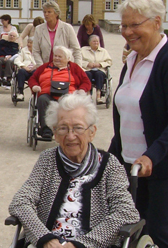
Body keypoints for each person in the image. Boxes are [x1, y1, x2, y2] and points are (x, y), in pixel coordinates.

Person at [9, 92, 140, 248]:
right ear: (55, 134)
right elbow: (20, 202)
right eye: (63, 128)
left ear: (92, 132)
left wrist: (80, 244)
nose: (71, 136)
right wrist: (45, 238)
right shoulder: (47, 160)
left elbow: (126, 212)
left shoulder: (109, 165)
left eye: (78, 128)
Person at [108, 0, 168, 248]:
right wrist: (107, 159)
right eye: (124, 25)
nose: (127, 32)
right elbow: (124, 120)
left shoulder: (164, 60)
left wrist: (152, 156)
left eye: (135, 24)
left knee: (157, 237)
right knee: (129, 236)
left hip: (161, 172)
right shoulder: (131, 59)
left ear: (157, 22)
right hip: (130, 170)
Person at [28, 46, 91, 139]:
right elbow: (32, 78)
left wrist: (81, 89)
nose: (56, 58)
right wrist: (34, 86)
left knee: (72, 103)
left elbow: (86, 82)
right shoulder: (45, 67)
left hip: (68, 96)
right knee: (42, 99)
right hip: (48, 94)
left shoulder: (74, 68)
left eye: (60, 56)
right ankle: (47, 130)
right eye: (55, 56)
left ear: (68, 59)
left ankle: (69, 129)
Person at [33, 1, 82, 67]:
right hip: (45, 67)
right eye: (44, 12)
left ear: (56, 14)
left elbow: (76, 50)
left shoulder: (67, 28)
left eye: (49, 12)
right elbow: (36, 51)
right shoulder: (39, 29)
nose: (46, 14)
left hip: (64, 68)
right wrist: (42, 67)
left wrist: (77, 68)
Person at [80, 35, 112, 104]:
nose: (96, 43)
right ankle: (88, 95)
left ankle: (98, 95)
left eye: (97, 41)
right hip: (87, 69)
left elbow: (109, 62)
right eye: (94, 41)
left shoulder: (103, 51)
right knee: (87, 74)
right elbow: (78, 60)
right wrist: (87, 64)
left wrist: (100, 64)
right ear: (89, 42)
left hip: (99, 69)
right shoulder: (83, 50)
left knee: (99, 74)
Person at [14, 37, 37, 101]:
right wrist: (23, 66)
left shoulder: (39, 51)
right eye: (28, 42)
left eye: (31, 43)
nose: (28, 44)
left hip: (35, 69)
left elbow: (42, 61)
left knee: (36, 73)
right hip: (26, 70)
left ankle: (35, 93)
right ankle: (20, 93)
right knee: (21, 72)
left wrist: (36, 66)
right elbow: (17, 60)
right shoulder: (24, 50)